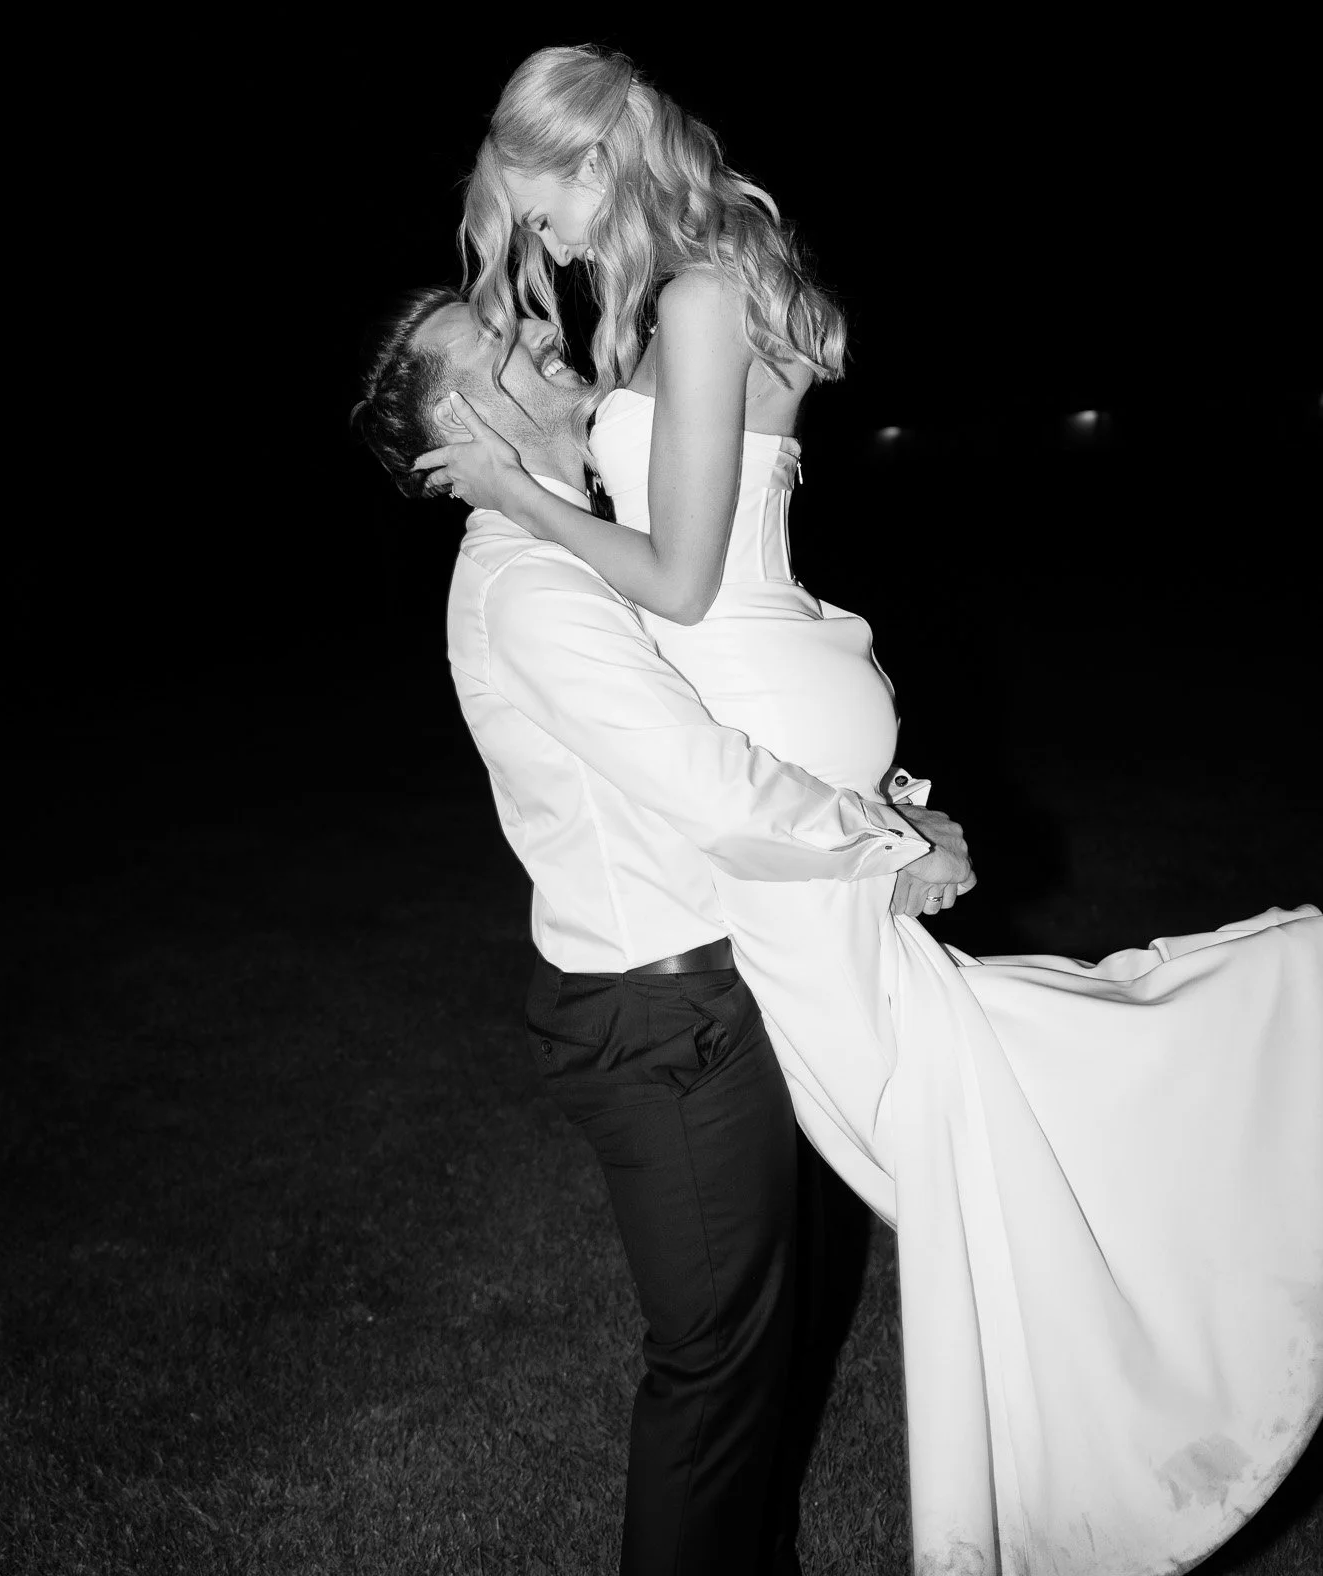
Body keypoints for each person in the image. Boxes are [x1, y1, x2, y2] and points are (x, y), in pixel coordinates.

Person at [410, 43, 1323, 1576]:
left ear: (592, 161)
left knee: (945, 1123)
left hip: (761, 733)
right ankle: (1195, 1180)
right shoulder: (681, 297)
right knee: (945, 1101)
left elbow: (688, 583)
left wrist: (519, 496)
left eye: (545, 216)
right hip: (780, 741)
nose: (550, 262)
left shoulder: (693, 301)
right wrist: (880, 818)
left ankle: (1219, 1150)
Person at [351, 286, 975, 1576]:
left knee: (753, 1359)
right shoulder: (529, 584)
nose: (550, 338)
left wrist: (893, 811)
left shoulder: (584, 549)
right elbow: (711, 783)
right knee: (713, 1384)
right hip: (664, 1020)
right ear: (469, 426)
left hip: (704, 994)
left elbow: (746, 714)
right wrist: (891, 844)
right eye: (511, 349)